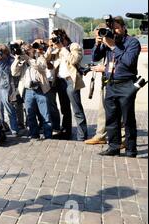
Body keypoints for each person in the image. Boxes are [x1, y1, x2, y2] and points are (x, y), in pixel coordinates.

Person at [92, 16, 141, 157]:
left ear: (124, 27)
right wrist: (99, 44)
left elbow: (129, 62)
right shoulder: (108, 42)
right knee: (111, 118)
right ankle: (114, 147)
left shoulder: (132, 42)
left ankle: (131, 149)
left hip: (126, 85)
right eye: (112, 29)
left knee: (128, 119)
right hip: (111, 84)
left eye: (117, 28)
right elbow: (95, 57)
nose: (115, 31)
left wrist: (113, 46)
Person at [46, 28, 88, 141]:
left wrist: (62, 48)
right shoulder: (56, 49)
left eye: (55, 38)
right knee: (65, 109)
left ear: (62, 37)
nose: (53, 40)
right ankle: (66, 132)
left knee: (77, 109)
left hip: (71, 81)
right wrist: (50, 47)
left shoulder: (73, 46)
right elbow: (47, 60)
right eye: (52, 38)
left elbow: (74, 60)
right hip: (60, 82)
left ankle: (82, 135)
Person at [11, 43, 52, 140]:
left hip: (40, 90)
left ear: (32, 50)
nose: (25, 51)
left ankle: (48, 136)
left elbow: (41, 67)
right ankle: (34, 135)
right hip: (28, 91)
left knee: (45, 115)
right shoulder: (22, 61)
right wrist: (17, 59)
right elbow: (13, 72)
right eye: (23, 49)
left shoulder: (39, 58)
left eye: (27, 49)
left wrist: (28, 58)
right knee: (30, 116)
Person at [85, 24, 108, 145]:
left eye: (102, 33)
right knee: (102, 110)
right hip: (106, 81)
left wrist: (105, 68)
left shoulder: (119, 42)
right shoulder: (104, 44)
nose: (100, 36)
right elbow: (95, 57)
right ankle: (100, 136)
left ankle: (123, 138)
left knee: (120, 112)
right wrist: (98, 44)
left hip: (119, 81)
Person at [0, 44, 20, 136]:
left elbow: (9, 71)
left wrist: (1, 59)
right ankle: (2, 128)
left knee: (10, 109)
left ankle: (14, 130)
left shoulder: (10, 60)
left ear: (5, 52)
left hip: (5, 88)